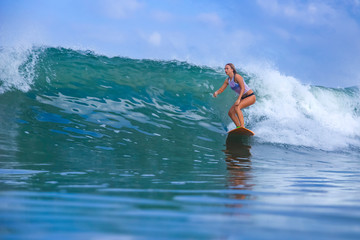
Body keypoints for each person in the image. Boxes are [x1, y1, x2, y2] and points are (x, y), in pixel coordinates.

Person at [213, 63, 256, 128]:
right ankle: (238, 127)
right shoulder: (227, 80)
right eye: (225, 69)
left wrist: (238, 99)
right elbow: (221, 89)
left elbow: (243, 88)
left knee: (237, 107)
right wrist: (216, 92)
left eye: (227, 68)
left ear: (232, 69)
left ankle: (242, 126)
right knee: (230, 113)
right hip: (243, 98)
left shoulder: (237, 76)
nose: (225, 70)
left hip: (250, 96)